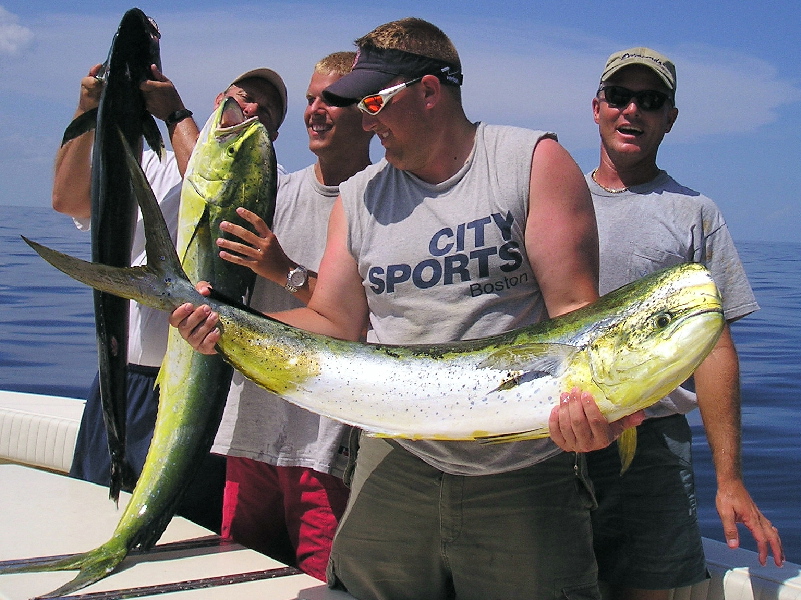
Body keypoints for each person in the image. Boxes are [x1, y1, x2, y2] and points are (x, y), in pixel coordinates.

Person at [171, 18, 642, 599]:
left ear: (428, 91)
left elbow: (578, 316)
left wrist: (604, 406)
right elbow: (332, 324)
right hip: (394, 458)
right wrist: (227, 328)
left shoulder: (531, 162)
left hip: (520, 470)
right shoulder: (360, 195)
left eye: (373, 101)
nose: (365, 121)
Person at [583, 47, 784, 600]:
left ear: (670, 117)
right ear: (597, 107)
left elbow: (715, 349)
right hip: (556, 435)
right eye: (620, 97)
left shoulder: (696, 213)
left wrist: (731, 478)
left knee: (651, 587)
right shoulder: (552, 201)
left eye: (651, 101)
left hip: (655, 441)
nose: (632, 111)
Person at [52, 62, 288, 533]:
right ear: (220, 95)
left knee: (176, 536)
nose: (253, 105)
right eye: (243, 92)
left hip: (200, 385)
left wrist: (176, 113)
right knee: (87, 520)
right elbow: (68, 200)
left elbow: (209, 180)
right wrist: (89, 111)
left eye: (268, 109)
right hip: (123, 382)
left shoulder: (267, 184)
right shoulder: (154, 166)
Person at [208, 51, 374, 580]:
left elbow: (364, 322)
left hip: (328, 446)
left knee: (323, 583)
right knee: (232, 581)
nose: (315, 110)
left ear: (369, 113)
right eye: (310, 99)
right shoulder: (272, 192)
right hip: (250, 432)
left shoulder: (385, 202)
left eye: (333, 99)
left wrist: (285, 271)